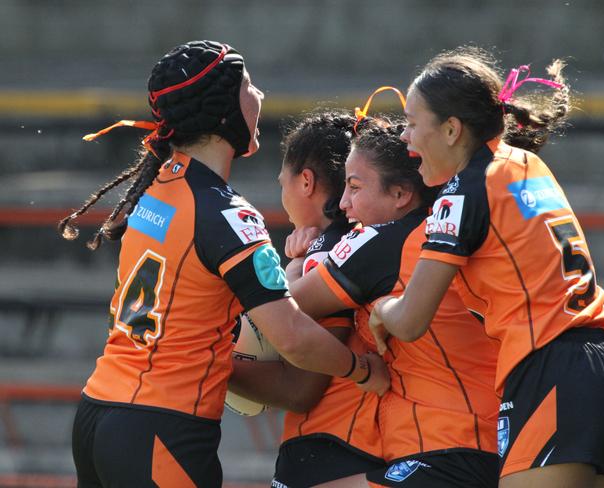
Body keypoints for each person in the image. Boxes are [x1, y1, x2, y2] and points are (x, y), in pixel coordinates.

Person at [58, 40, 388, 487]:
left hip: (98, 410)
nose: (260, 96)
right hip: (161, 426)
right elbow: (290, 336)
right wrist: (361, 369)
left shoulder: (154, 191)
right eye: (249, 86)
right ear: (222, 112)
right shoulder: (227, 215)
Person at [368, 47, 604, 487]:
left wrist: (383, 306)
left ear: (450, 129)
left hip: (552, 374)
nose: (404, 137)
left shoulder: (463, 190)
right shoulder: (528, 163)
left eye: (410, 123)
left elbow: (408, 322)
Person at [282, 115, 501, 487]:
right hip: (495, 435)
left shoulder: (380, 241)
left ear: (401, 194)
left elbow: (284, 313)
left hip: (445, 444)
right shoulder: (451, 227)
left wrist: (296, 264)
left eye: (354, 188)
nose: (344, 205)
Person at [229, 110, 387, 487]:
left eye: (282, 181)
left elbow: (300, 389)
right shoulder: (358, 245)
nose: (281, 191)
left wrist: (208, 362)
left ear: (305, 182)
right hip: (354, 442)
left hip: (336, 443)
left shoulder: (331, 258)